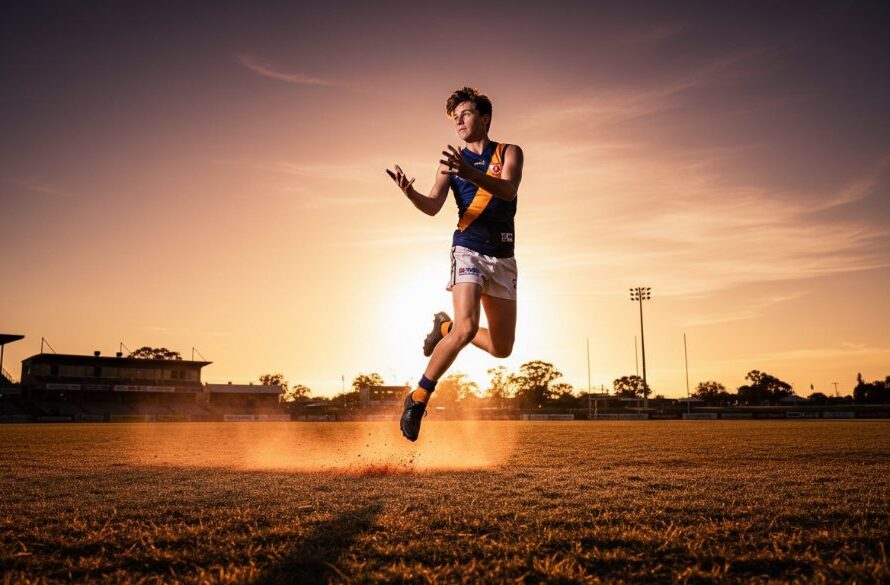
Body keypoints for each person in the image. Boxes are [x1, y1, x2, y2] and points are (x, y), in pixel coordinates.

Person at [385, 86, 524, 441]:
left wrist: (470, 171)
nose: (458, 122)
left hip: (503, 257)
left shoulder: (510, 152)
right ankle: (418, 398)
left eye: (464, 114)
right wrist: (410, 193)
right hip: (468, 250)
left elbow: (508, 190)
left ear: (484, 117)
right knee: (467, 328)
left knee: (501, 348)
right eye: (454, 117)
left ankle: (442, 329)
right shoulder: (450, 162)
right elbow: (432, 205)